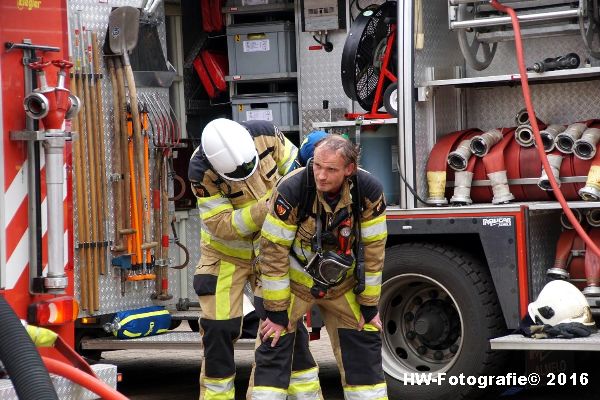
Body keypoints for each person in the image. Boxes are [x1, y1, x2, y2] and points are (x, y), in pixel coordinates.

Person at [248, 134, 389, 399]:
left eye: (331, 169)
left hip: (343, 285)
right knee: (272, 347)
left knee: (364, 349)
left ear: (350, 169)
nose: (321, 176)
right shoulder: (292, 188)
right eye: (317, 166)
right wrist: (277, 315)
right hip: (293, 286)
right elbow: (272, 252)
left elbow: (373, 251)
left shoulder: (368, 191)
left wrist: (369, 307)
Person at [188, 118, 300, 400]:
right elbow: (221, 224)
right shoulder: (201, 171)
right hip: (226, 254)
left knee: (275, 324)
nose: (247, 174)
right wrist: (267, 207)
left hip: (272, 249)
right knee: (218, 329)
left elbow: (298, 173)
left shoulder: (265, 133)